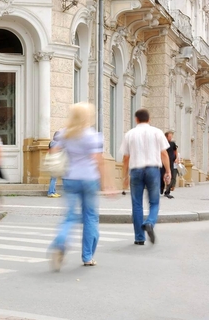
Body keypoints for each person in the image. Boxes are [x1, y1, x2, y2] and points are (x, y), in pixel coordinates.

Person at [48, 104, 109, 271]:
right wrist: (106, 184)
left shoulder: (64, 134)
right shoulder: (93, 136)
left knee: (69, 216)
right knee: (90, 217)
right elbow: (98, 160)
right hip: (89, 179)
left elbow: (53, 151)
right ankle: (88, 256)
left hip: (70, 178)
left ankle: (61, 241)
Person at [120, 108, 171, 245]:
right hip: (153, 170)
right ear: (149, 119)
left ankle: (139, 238)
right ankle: (149, 222)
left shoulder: (130, 134)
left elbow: (126, 157)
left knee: (136, 204)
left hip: (135, 170)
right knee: (154, 202)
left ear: (136, 119)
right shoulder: (157, 132)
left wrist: (125, 176)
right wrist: (168, 171)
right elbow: (164, 154)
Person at [161, 131, 178, 199]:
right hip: (162, 162)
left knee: (170, 176)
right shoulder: (162, 143)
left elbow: (175, 151)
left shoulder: (172, 143)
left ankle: (167, 192)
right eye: (169, 136)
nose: (171, 138)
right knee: (161, 175)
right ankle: (161, 187)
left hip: (171, 162)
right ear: (166, 137)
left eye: (171, 136)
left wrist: (176, 158)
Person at [47, 131, 61, 198]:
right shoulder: (57, 144)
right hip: (55, 162)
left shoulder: (51, 142)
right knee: (54, 179)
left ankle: (53, 191)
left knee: (53, 179)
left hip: (51, 162)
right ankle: (51, 192)